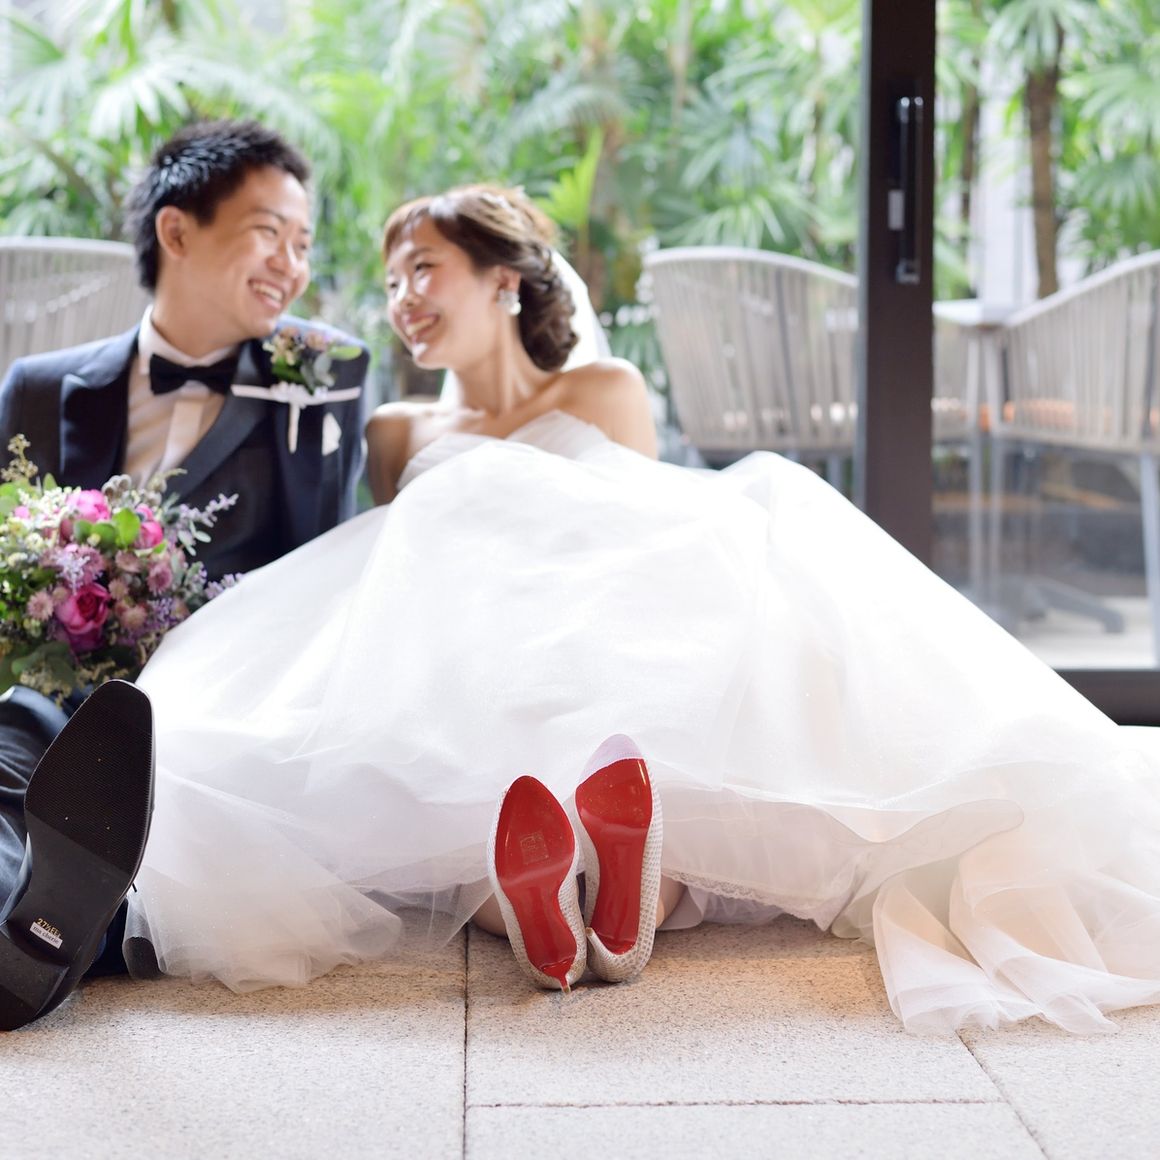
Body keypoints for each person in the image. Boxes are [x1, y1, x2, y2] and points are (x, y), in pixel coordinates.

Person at [18, 183, 1160, 1037]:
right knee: (443, 747)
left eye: (423, 269)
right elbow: (395, 571)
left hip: (608, 615)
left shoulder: (601, 389)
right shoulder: (401, 429)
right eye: (391, 281)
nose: (402, 299)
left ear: (503, 280)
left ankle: (593, 892)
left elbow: (648, 541)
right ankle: (592, 903)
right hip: (462, 627)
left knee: (656, 616)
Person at [0, 120, 369, 1031]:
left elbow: (328, 571)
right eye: (269, 232)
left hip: (218, 710)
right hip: (49, 702)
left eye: (303, 244)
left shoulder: (317, 382)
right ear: (177, 231)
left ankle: (44, 937)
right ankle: (37, 937)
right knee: (12, 748)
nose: (291, 264)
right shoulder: (41, 389)